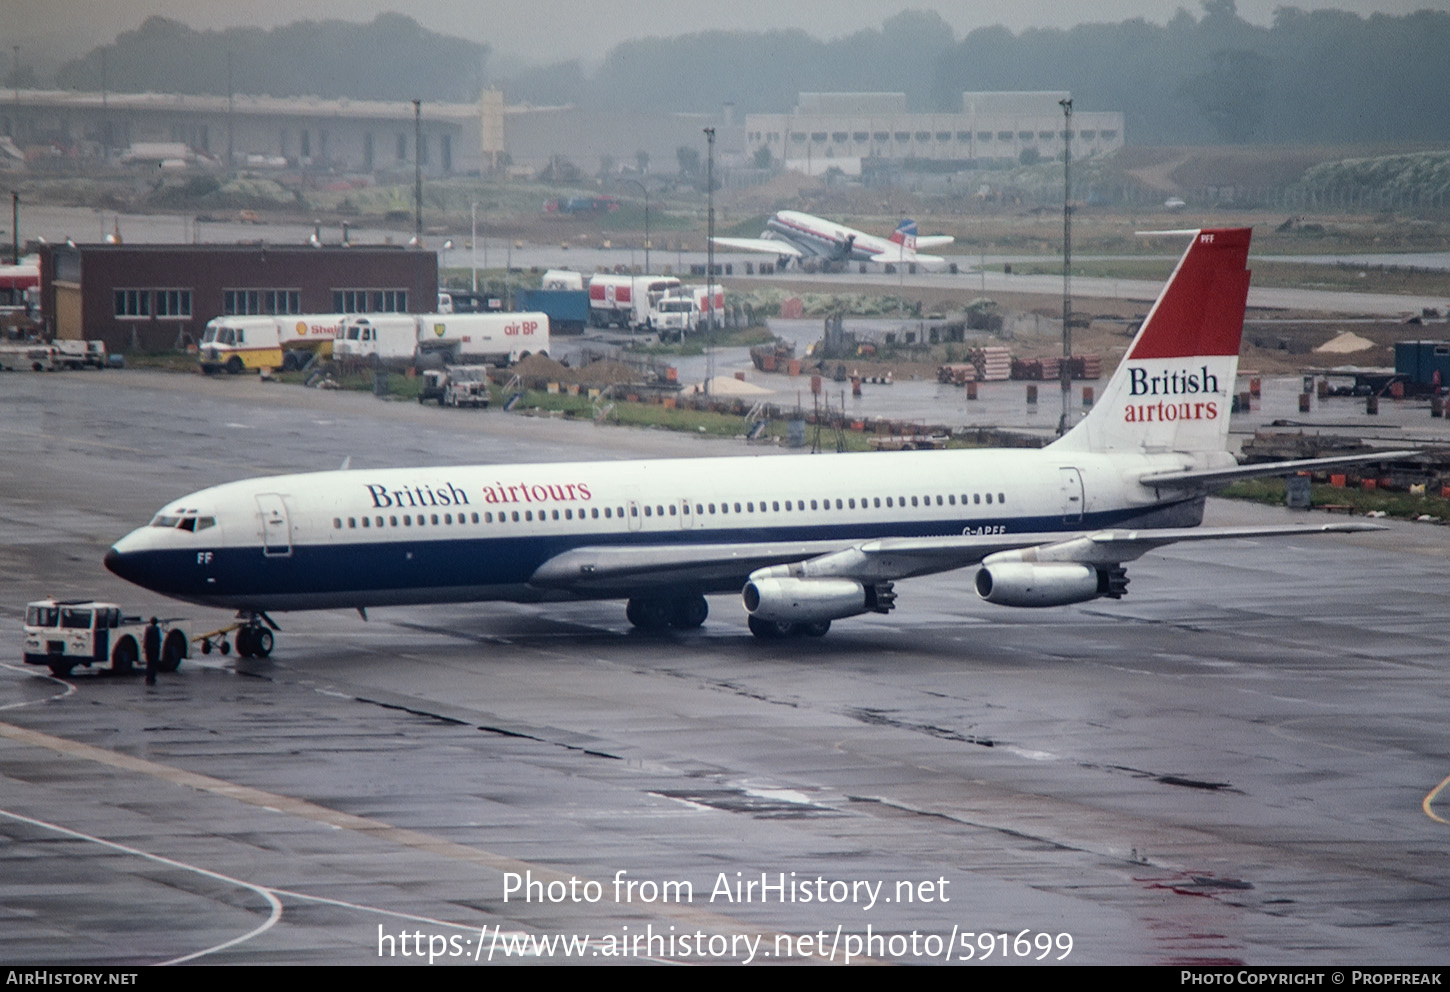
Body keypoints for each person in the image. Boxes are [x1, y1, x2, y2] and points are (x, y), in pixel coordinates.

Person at [143, 618, 161, 685]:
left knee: (149, 663)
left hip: (148, 648)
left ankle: (147, 677)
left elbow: (146, 638)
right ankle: (152, 677)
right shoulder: (157, 629)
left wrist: (145, 647)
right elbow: (160, 639)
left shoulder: (148, 629)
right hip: (155, 648)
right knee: (154, 663)